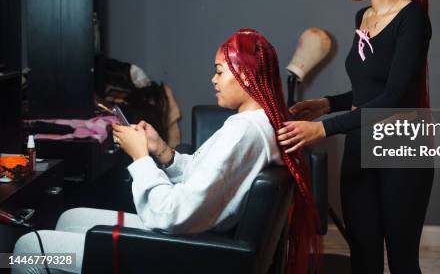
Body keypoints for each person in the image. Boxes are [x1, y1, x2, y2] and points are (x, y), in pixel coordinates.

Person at [12, 29, 319, 274]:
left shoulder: (244, 132)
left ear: (247, 76)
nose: (213, 79)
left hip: (187, 248)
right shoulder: (256, 123)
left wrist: (140, 158)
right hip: (198, 235)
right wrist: (161, 150)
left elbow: (173, 213)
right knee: (71, 218)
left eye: (220, 72)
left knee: (27, 248)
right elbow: (207, 178)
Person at [276, 0, 434, 273]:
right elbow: (369, 90)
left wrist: (323, 129)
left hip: (402, 154)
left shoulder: (412, 19)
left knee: (402, 261)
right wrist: (326, 104)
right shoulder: (362, 17)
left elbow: (394, 98)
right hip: (360, 150)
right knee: (363, 256)